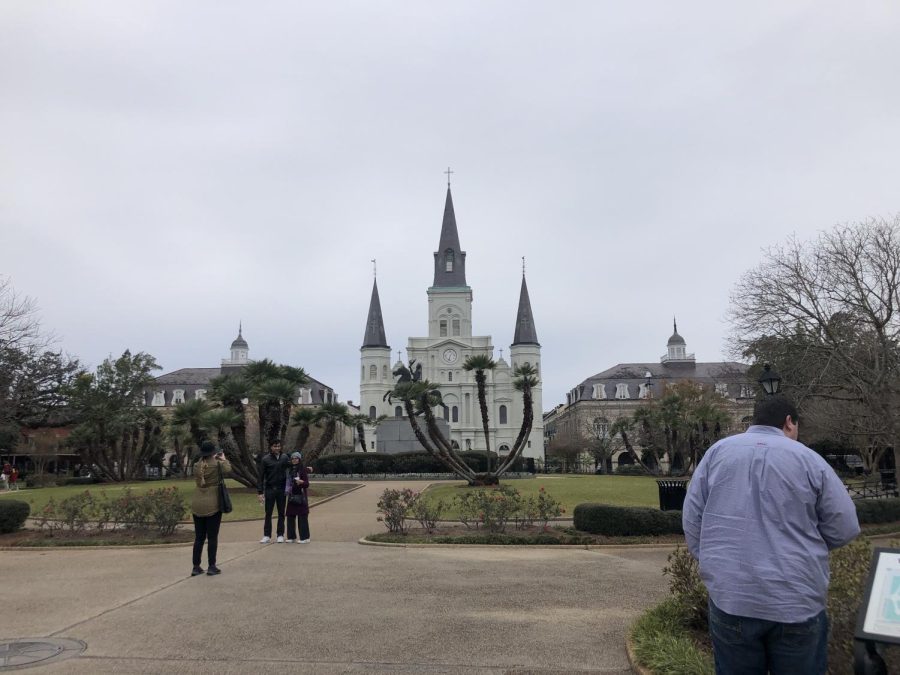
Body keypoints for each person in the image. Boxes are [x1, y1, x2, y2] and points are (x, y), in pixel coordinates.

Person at [682, 395, 860, 674]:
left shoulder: (717, 453)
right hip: (795, 597)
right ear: (789, 422)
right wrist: (806, 547)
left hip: (732, 595)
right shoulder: (809, 459)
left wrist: (714, 563)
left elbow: (692, 520)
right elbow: (845, 526)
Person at [191, 440, 231, 576]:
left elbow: (203, 468)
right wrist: (223, 459)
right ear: (213, 452)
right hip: (213, 502)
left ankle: (196, 566)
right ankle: (211, 566)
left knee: (199, 537)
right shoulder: (217, 465)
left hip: (197, 502)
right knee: (212, 537)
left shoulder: (196, 465)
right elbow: (228, 469)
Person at [257, 439, 290, 543]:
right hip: (270, 489)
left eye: (279, 446)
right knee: (268, 513)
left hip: (281, 489)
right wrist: (260, 492)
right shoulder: (265, 459)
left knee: (281, 513)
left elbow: (294, 467)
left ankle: (280, 534)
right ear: (271, 447)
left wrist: (306, 469)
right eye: (275, 446)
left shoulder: (285, 457)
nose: (277, 448)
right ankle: (267, 535)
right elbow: (261, 476)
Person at [285, 452, 310, 543]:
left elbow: (307, 484)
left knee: (302, 517)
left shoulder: (302, 470)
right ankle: (291, 537)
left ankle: (305, 537)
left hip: (301, 496)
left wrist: (301, 482)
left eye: (296, 458)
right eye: (292, 458)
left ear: (299, 459)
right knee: (290, 516)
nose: (294, 460)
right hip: (292, 496)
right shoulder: (290, 470)